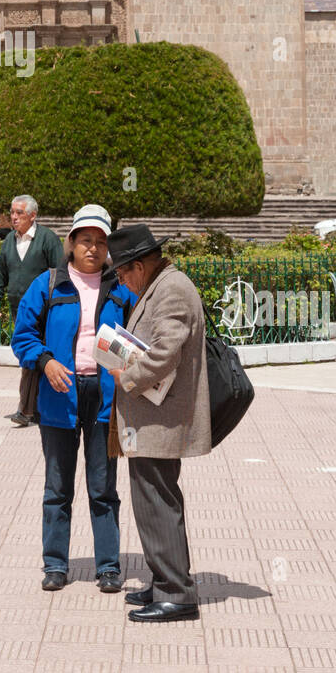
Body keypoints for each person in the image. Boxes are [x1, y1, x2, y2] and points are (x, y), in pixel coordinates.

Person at [12, 204, 134, 592]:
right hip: (59, 394)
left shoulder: (121, 289)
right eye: (86, 241)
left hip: (103, 396)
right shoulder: (48, 284)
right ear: (71, 243)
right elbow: (23, 337)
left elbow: (137, 340)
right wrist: (45, 361)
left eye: (100, 242)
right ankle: (55, 564)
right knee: (58, 487)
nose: (93, 249)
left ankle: (109, 566)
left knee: (103, 487)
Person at [105, 223, 212, 624]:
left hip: (160, 420)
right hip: (152, 418)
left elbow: (166, 351)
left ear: (141, 265)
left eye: (122, 273)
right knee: (153, 502)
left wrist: (127, 376)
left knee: (157, 504)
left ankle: (176, 594)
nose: (121, 281)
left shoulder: (170, 288)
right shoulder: (161, 285)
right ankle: (165, 579)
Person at [0, 196, 63, 427]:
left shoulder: (48, 239)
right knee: (31, 358)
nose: (13, 217)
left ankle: (26, 410)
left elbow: (60, 273)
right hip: (18, 311)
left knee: (32, 358)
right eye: (12, 212)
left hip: (44, 311)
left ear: (33, 215)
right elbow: (0, 274)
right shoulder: (10, 240)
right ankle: (37, 409)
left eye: (19, 213)